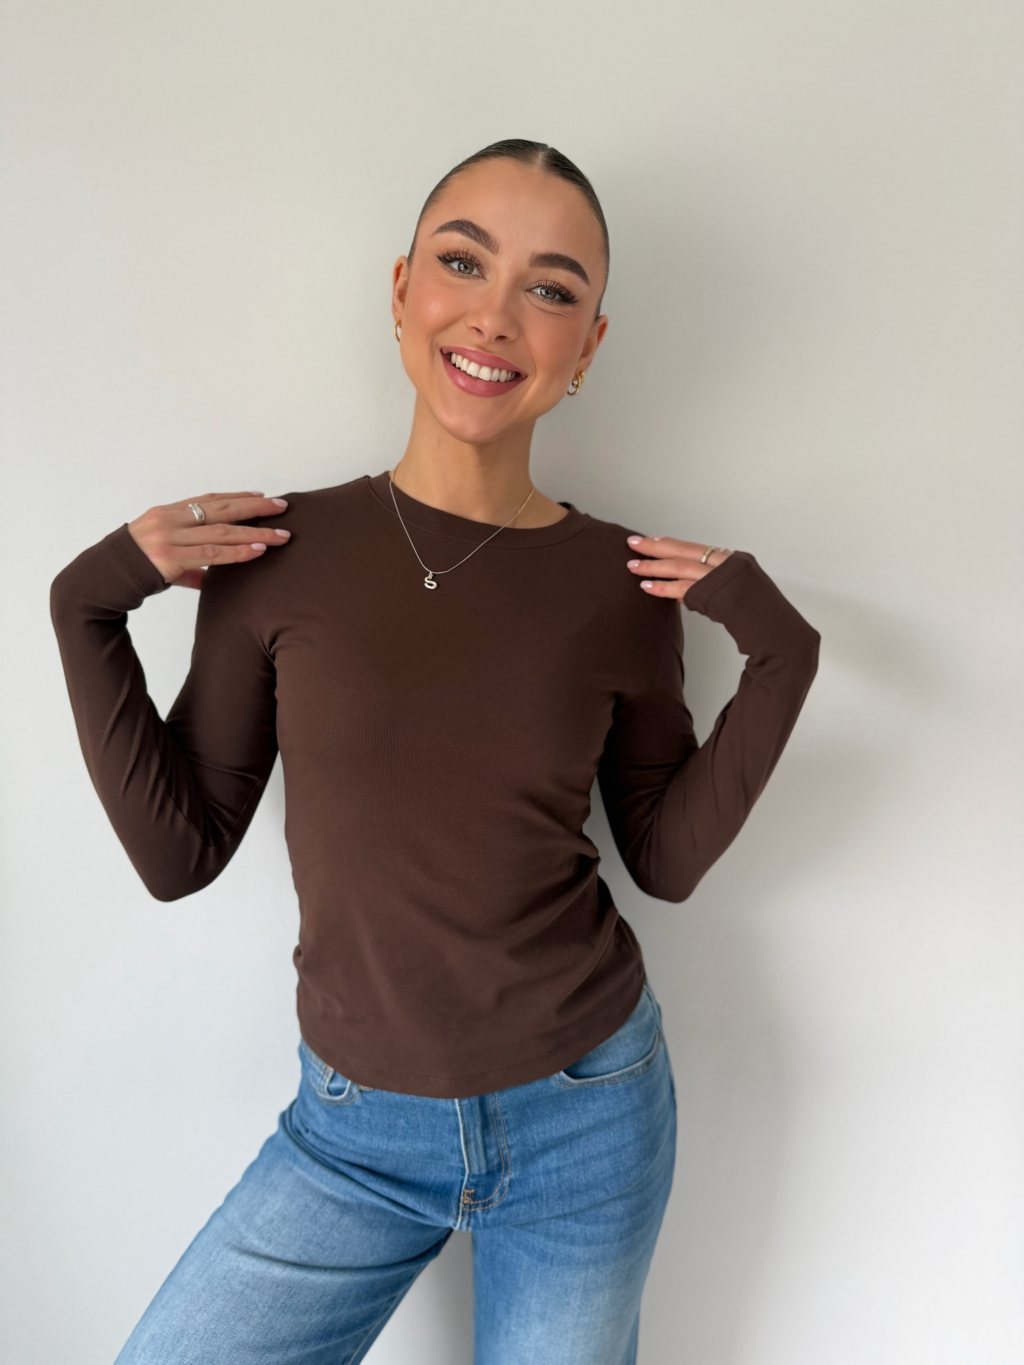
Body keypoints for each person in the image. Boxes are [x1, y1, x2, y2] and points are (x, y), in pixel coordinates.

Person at [50, 139, 820, 1365]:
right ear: (403, 288)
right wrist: (86, 602)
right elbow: (177, 853)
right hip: (349, 1135)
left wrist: (782, 659)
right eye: (464, 262)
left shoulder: (618, 584)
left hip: (585, 1116)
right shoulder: (277, 555)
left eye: (550, 288)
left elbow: (663, 862)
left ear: (587, 347)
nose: (496, 314)